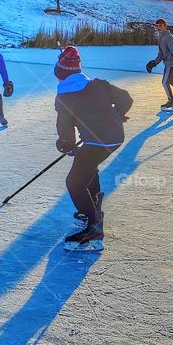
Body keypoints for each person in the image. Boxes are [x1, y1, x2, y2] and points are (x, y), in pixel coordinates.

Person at [55, 46, 133, 251]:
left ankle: (93, 228)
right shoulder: (98, 84)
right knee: (88, 167)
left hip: (96, 143)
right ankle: (93, 208)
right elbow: (126, 99)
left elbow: (64, 127)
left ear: (60, 73)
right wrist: (116, 115)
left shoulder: (64, 97)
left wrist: (66, 145)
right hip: (115, 137)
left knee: (74, 182)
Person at [146, 18, 173, 110]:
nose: (158, 27)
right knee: (170, 81)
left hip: (172, 64)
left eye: (160, 25)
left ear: (165, 26)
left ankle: (171, 101)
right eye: (157, 26)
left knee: (165, 82)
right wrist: (154, 63)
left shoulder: (167, 37)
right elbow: (161, 54)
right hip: (169, 63)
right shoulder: (161, 36)